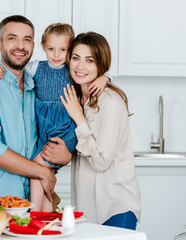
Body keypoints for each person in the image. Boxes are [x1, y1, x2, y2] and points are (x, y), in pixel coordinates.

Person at [0, 23, 109, 211]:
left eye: (63, 50)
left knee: (37, 170)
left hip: (64, 130)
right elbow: (11, 67)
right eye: (51, 49)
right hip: (43, 130)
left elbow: (94, 75)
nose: (56, 54)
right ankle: (44, 215)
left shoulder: (74, 69)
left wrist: (105, 78)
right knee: (41, 173)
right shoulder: (35, 67)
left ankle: (35, 216)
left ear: (70, 51)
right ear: (42, 46)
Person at [0, 15, 72, 204]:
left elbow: (50, 133)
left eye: (27, 39)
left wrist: (66, 156)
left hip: (31, 202)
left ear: (33, 46)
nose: (21, 46)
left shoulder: (35, 87)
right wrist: (42, 172)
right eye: (12, 38)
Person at [60, 31, 141, 230]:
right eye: (76, 58)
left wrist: (79, 117)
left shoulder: (111, 101)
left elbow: (101, 161)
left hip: (114, 207)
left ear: (100, 65)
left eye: (90, 60)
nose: (80, 66)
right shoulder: (76, 97)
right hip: (87, 209)